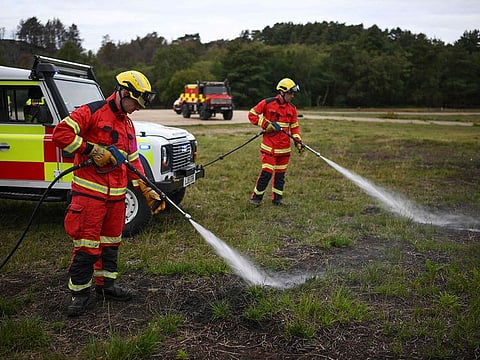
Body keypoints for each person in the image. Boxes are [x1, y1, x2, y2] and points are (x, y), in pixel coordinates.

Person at [53, 70, 165, 317]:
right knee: (87, 246)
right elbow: (60, 135)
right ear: (124, 93)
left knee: (110, 245)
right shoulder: (91, 112)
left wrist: (146, 187)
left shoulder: (127, 123)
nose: (136, 108)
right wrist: (92, 150)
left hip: (116, 198)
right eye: (135, 102)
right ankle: (80, 294)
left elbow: (133, 160)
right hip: (89, 195)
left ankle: (107, 286)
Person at [248, 78, 304, 206]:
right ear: (283, 92)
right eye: (291, 93)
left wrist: (298, 141)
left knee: (280, 176)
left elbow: (294, 128)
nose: (292, 96)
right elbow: (252, 114)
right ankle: (256, 198)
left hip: (284, 150)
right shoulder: (267, 103)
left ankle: (277, 200)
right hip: (270, 148)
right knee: (267, 172)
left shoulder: (292, 109)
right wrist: (266, 124)